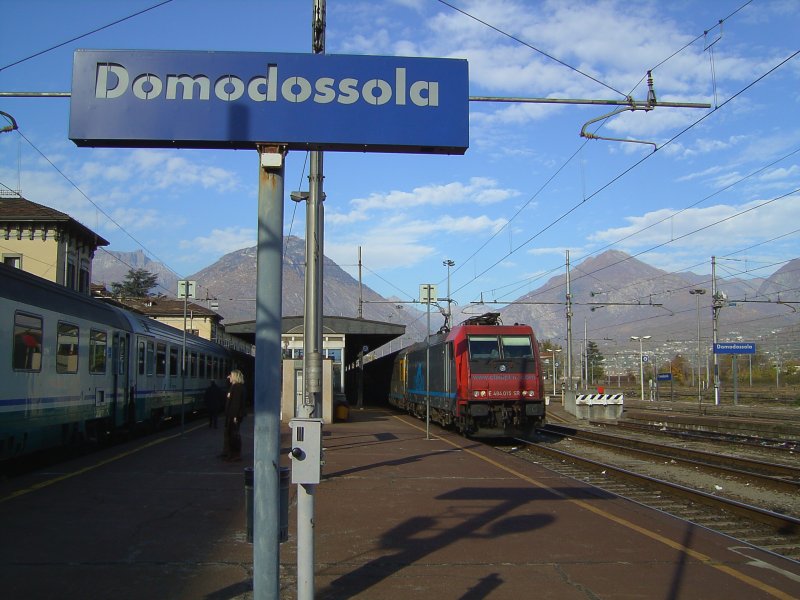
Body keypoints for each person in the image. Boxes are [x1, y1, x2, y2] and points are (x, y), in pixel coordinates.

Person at [220, 369, 247, 461]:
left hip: (234, 415)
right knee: (229, 433)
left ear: (235, 377)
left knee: (233, 435)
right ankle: (228, 452)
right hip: (231, 414)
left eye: (230, 376)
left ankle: (235, 454)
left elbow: (236, 403)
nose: (229, 377)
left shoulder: (238, 388)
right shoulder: (234, 386)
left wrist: (235, 416)